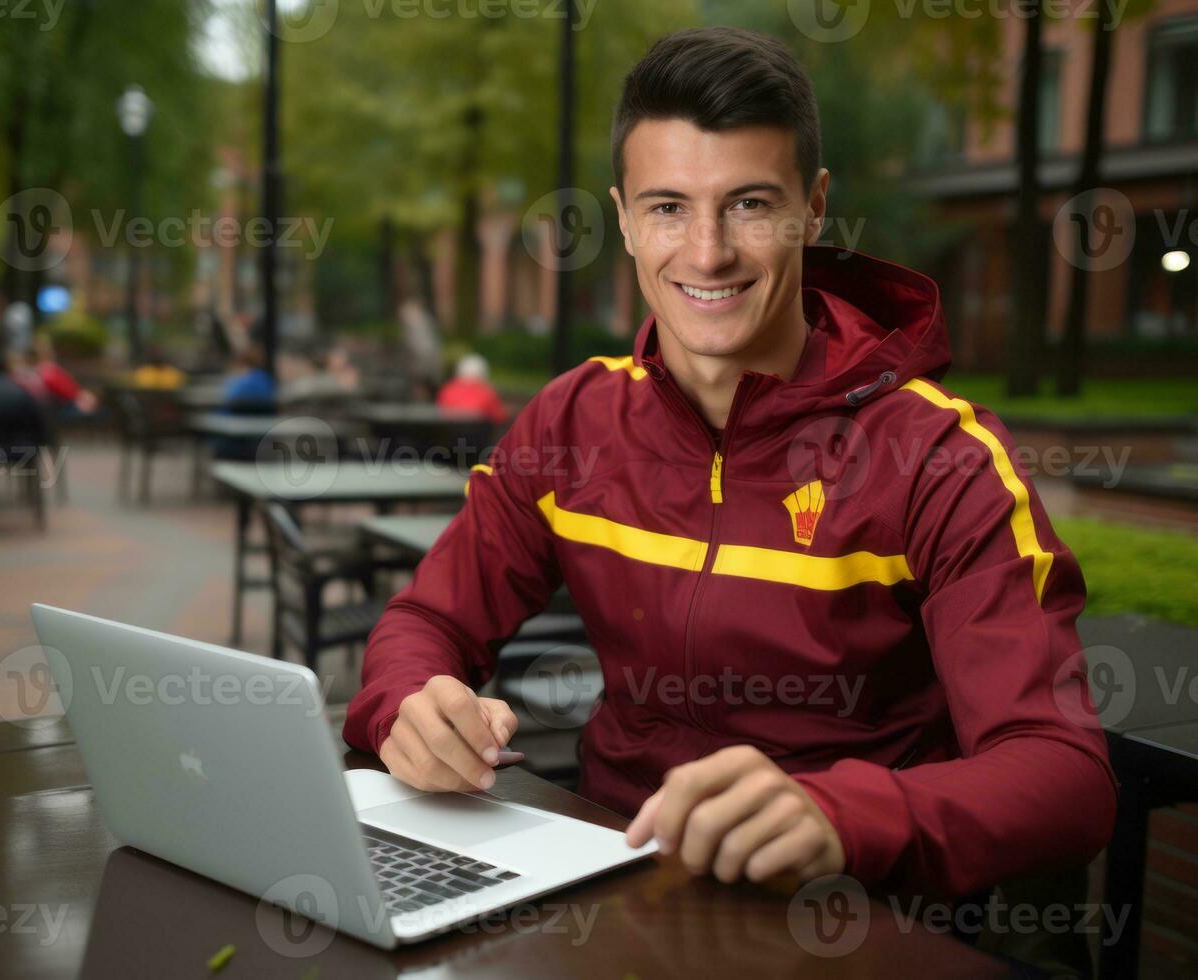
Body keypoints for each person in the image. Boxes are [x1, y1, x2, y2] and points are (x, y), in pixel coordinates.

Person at [344, 27, 1115, 906]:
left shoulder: (941, 459)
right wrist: (411, 700)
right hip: (605, 883)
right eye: (668, 207)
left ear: (813, 207)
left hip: (850, 913)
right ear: (625, 219)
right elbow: (426, 620)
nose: (705, 252)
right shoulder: (570, 418)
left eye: (748, 205)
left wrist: (845, 817)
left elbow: (1064, 779)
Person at [435, 354, 508, 424]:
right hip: (479, 434)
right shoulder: (486, 392)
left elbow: (440, 411)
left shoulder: (447, 390)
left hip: (449, 433)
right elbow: (499, 416)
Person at [220, 345, 276, 413]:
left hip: (237, 416)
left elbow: (230, 397)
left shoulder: (241, 381)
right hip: (263, 417)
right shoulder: (266, 378)